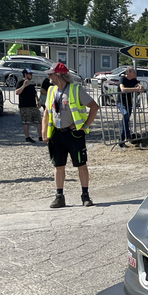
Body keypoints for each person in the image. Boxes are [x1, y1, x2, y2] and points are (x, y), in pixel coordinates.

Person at [41, 62, 100, 208]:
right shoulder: (51, 90)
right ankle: (59, 196)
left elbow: (94, 106)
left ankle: (85, 196)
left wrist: (85, 125)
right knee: (58, 165)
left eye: (51, 73)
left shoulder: (75, 89)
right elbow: (47, 113)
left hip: (74, 135)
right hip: (56, 134)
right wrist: (44, 131)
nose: (48, 76)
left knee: (81, 164)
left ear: (59, 75)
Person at [15, 68, 42, 142]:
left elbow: (34, 92)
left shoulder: (31, 82)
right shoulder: (20, 82)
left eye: (31, 74)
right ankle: (27, 137)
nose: (31, 75)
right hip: (24, 105)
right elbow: (17, 92)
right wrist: (24, 86)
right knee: (26, 122)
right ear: (25, 74)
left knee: (39, 121)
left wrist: (38, 101)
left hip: (33, 105)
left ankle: (40, 136)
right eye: (30, 74)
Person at [118, 67, 143, 148]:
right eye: (133, 72)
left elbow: (139, 85)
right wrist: (135, 89)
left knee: (125, 120)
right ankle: (127, 136)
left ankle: (121, 141)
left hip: (129, 103)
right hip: (121, 102)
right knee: (125, 116)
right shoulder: (122, 79)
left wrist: (140, 86)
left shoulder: (134, 80)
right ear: (128, 72)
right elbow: (123, 89)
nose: (135, 73)